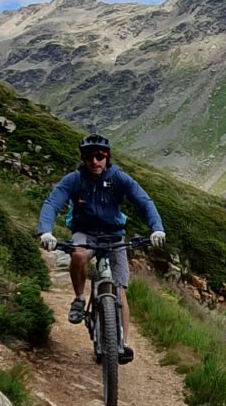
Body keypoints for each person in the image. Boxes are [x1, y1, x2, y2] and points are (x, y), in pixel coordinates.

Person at [38, 133, 164, 359]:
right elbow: (52, 203)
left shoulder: (119, 178)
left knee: (120, 291)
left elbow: (144, 202)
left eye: (100, 156)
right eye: (89, 157)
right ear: (83, 158)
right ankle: (79, 298)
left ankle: (121, 344)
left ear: (107, 157)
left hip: (114, 236)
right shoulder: (74, 180)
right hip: (84, 233)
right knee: (78, 256)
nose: (94, 161)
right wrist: (45, 231)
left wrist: (157, 228)